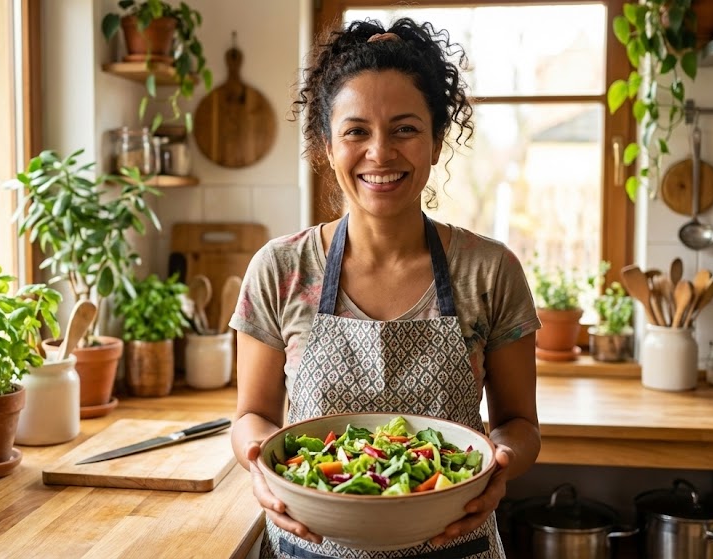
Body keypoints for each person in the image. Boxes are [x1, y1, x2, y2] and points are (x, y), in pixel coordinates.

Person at [229, 17, 541, 559]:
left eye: (405, 129)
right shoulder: (280, 268)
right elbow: (251, 416)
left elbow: (519, 423)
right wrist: (259, 464)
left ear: (437, 142)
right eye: (356, 131)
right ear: (327, 146)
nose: (380, 153)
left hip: (454, 544)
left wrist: (500, 462)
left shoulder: (490, 270)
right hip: (309, 547)